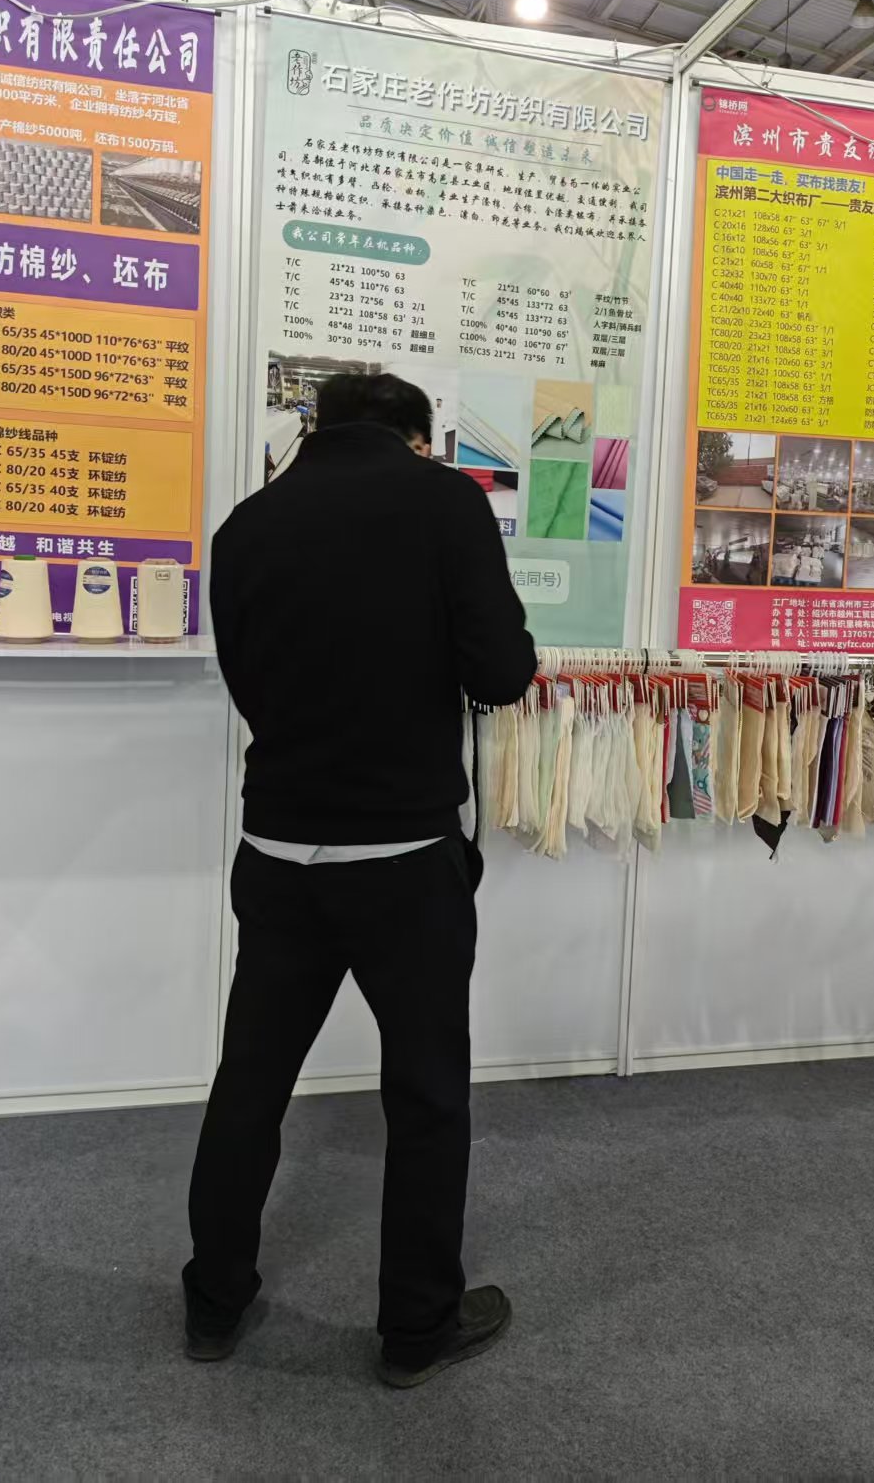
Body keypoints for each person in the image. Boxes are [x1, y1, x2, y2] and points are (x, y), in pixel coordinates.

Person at [186, 371, 536, 1388]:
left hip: (278, 848)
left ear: (321, 428)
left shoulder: (247, 524)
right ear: (417, 438)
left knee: (250, 1083)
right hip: (403, 858)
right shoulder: (445, 503)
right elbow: (500, 673)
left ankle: (212, 1303)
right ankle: (414, 1329)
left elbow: (247, 681)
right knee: (424, 1095)